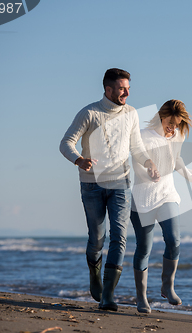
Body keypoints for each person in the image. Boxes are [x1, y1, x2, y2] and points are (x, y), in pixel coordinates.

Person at [59, 68, 160, 311]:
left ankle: (108, 296)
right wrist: (79, 160)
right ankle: (95, 275)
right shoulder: (90, 113)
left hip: (121, 183)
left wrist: (148, 163)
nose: (126, 92)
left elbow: (135, 146)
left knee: (119, 237)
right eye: (122, 88)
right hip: (91, 184)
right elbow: (65, 143)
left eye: (128, 88)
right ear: (108, 89)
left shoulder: (131, 113)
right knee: (97, 238)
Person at [130, 100, 192, 314]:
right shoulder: (143, 135)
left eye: (177, 123)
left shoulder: (177, 136)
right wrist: (148, 173)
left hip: (167, 194)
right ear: (161, 116)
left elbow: (176, 159)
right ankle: (141, 297)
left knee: (174, 240)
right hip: (143, 198)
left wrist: (189, 175)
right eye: (170, 122)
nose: (172, 127)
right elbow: (136, 162)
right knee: (144, 248)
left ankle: (167, 285)